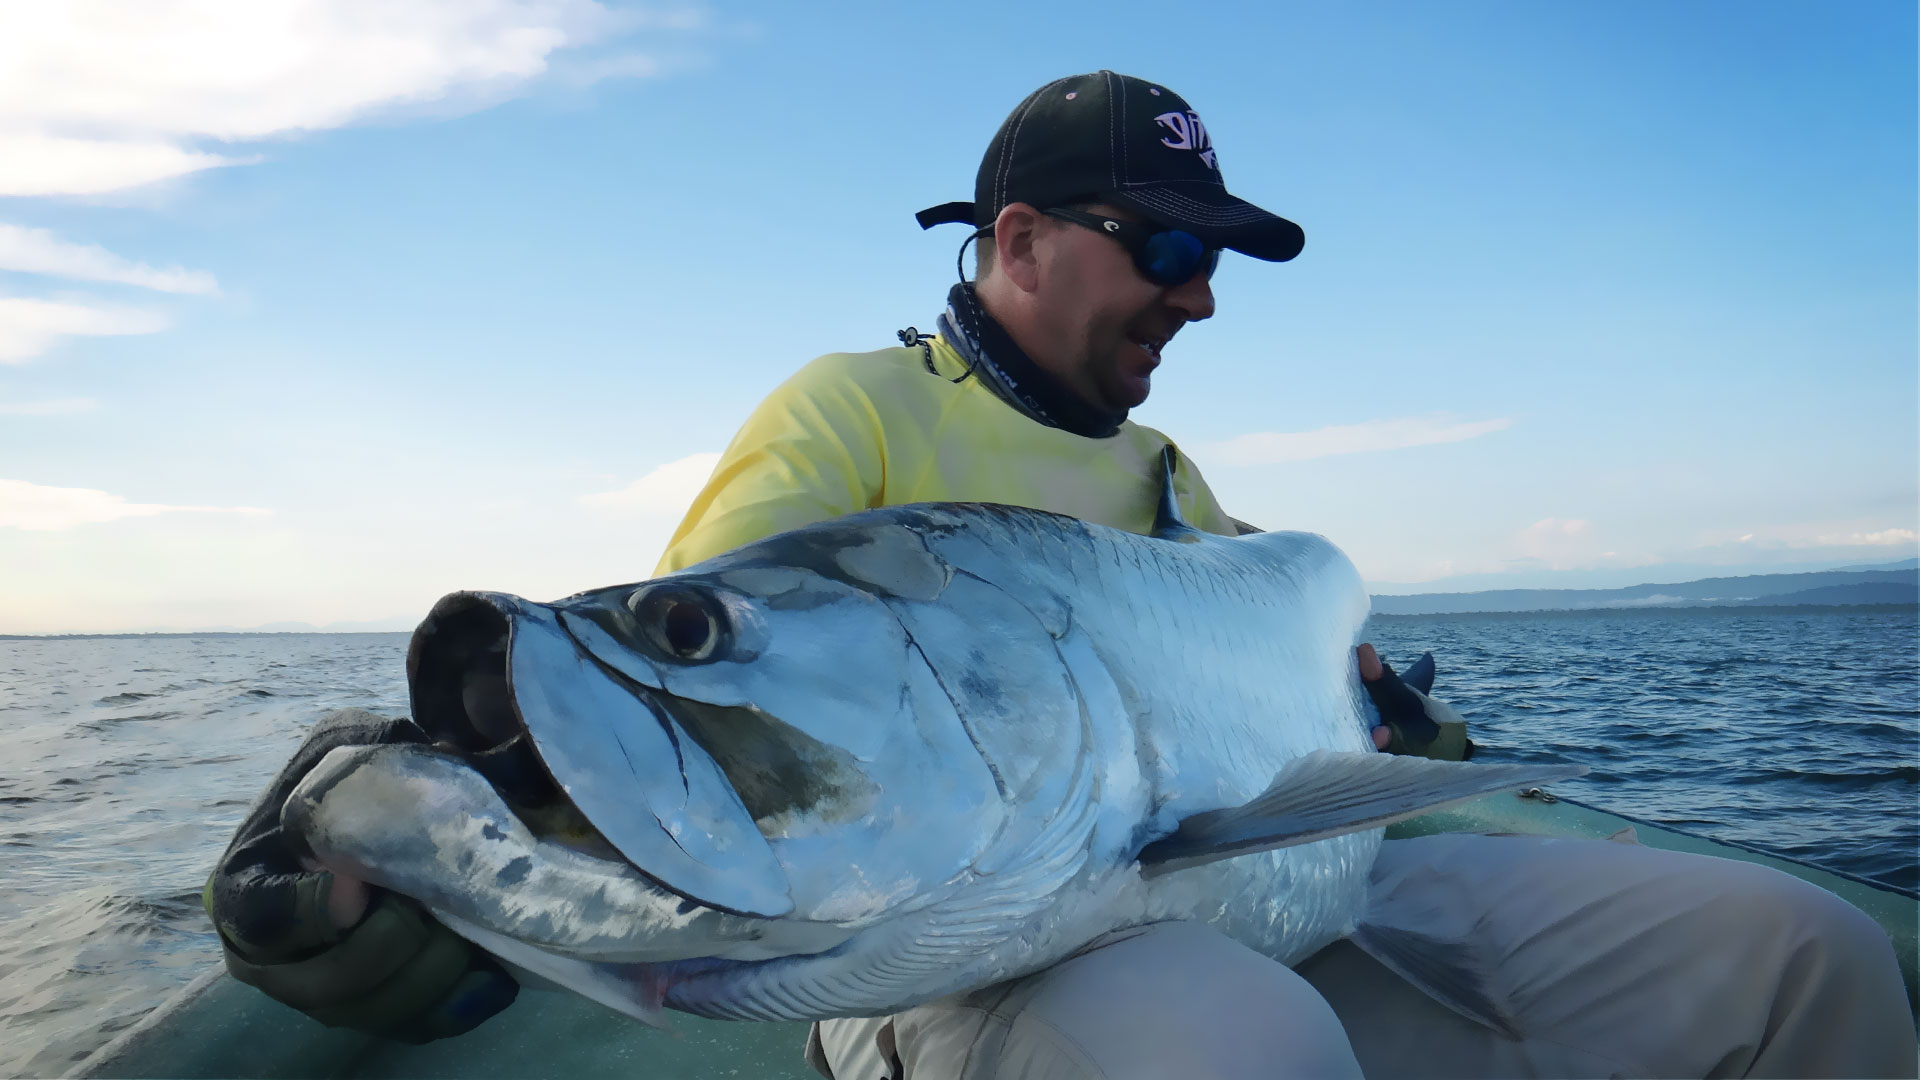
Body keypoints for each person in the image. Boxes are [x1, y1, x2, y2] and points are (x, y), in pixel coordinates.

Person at [206, 72, 1917, 1078]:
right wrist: (444, 817)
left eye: (1217, 264)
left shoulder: (1175, 487)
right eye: (1169, 250)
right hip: (956, 951)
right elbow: (702, 716)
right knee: (1238, 1051)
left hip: (1273, 878)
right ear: (1016, 243)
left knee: (1800, 955)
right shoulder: (847, 417)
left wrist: (1409, 729)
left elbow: (1337, 733)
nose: (1199, 297)